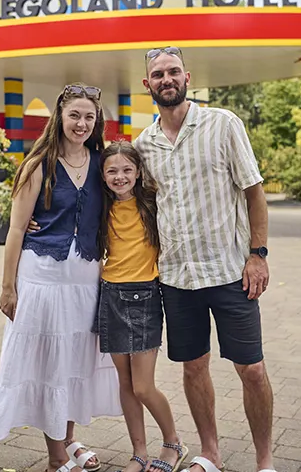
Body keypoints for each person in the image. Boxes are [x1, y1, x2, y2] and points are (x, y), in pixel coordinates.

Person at [134, 46, 276, 472]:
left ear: (187, 76)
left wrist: (258, 255)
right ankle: (210, 453)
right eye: (157, 74)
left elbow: (254, 194)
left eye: (173, 71)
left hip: (231, 272)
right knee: (193, 368)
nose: (166, 79)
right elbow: (126, 201)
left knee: (251, 369)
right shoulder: (144, 145)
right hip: (176, 278)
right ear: (148, 85)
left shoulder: (223, 123)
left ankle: (264, 460)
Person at [0, 83, 121, 472]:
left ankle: (70, 439)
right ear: (59, 117)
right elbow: (14, 230)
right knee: (49, 365)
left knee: (74, 362)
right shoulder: (38, 165)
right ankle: (56, 456)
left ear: (97, 123)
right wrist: (8, 286)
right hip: (42, 278)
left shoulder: (101, 163)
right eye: (74, 115)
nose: (81, 123)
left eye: (89, 117)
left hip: (86, 281)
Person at [95, 141, 189, 472]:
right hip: (110, 296)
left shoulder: (151, 203)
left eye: (126, 170)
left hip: (145, 298)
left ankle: (173, 442)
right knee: (124, 383)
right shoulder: (101, 206)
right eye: (112, 171)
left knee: (143, 386)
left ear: (137, 172)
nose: (119, 177)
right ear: (103, 175)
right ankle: (139, 453)